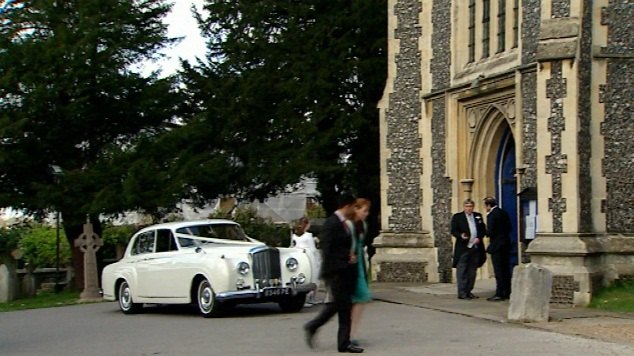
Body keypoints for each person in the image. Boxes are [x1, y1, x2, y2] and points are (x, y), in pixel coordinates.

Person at [304, 193, 364, 353]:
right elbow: (328, 249)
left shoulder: (347, 223)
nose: (354, 209)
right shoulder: (332, 223)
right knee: (342, 306)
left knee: (341, 305)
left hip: (346, 271)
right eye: (353, 206)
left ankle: (338, 339)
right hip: (336, 272)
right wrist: (346, 258)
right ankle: (336, 338)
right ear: (347, 206)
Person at [347, 198, 373, 346]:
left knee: (361, 297)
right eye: (364, 210)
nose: (366, 214)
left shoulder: (363, 225)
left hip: (359, 263)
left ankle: (353, 332)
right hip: (351, 263)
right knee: (354, 299)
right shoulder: (349, 225)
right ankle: (349, 332)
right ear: (356, 209)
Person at [450, 198, 487, 300]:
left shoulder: (478, 216)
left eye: (470, 206)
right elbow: (453, 230)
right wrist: (461, 235)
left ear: (473, 207)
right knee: (462, 271)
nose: (469, 208)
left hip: (475, 248)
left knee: (472, 271)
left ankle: (469, 291)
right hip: (463, 248)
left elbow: (483, 230)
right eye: (467, 206)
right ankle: (462, 293)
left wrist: (479, 238)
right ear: (464, 207)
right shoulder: (458, 217)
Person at [483, 196, 512, 301]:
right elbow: (509, 227)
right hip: (506, 244)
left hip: (496, 246)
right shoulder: (503, 213)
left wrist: (483, 230)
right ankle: (507, 291)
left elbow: (490, 232)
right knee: (506, 270)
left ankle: (499, 293)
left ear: (488, 205)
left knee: (499, 271)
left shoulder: (491, 215)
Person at [290, 216, 322, 305]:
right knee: (314, 276)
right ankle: (311, 297)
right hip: (310, 256)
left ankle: (306, 298)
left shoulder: (294, 235)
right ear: (307, 225)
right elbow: (313, 249)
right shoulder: (308, 235)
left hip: (299, 255)